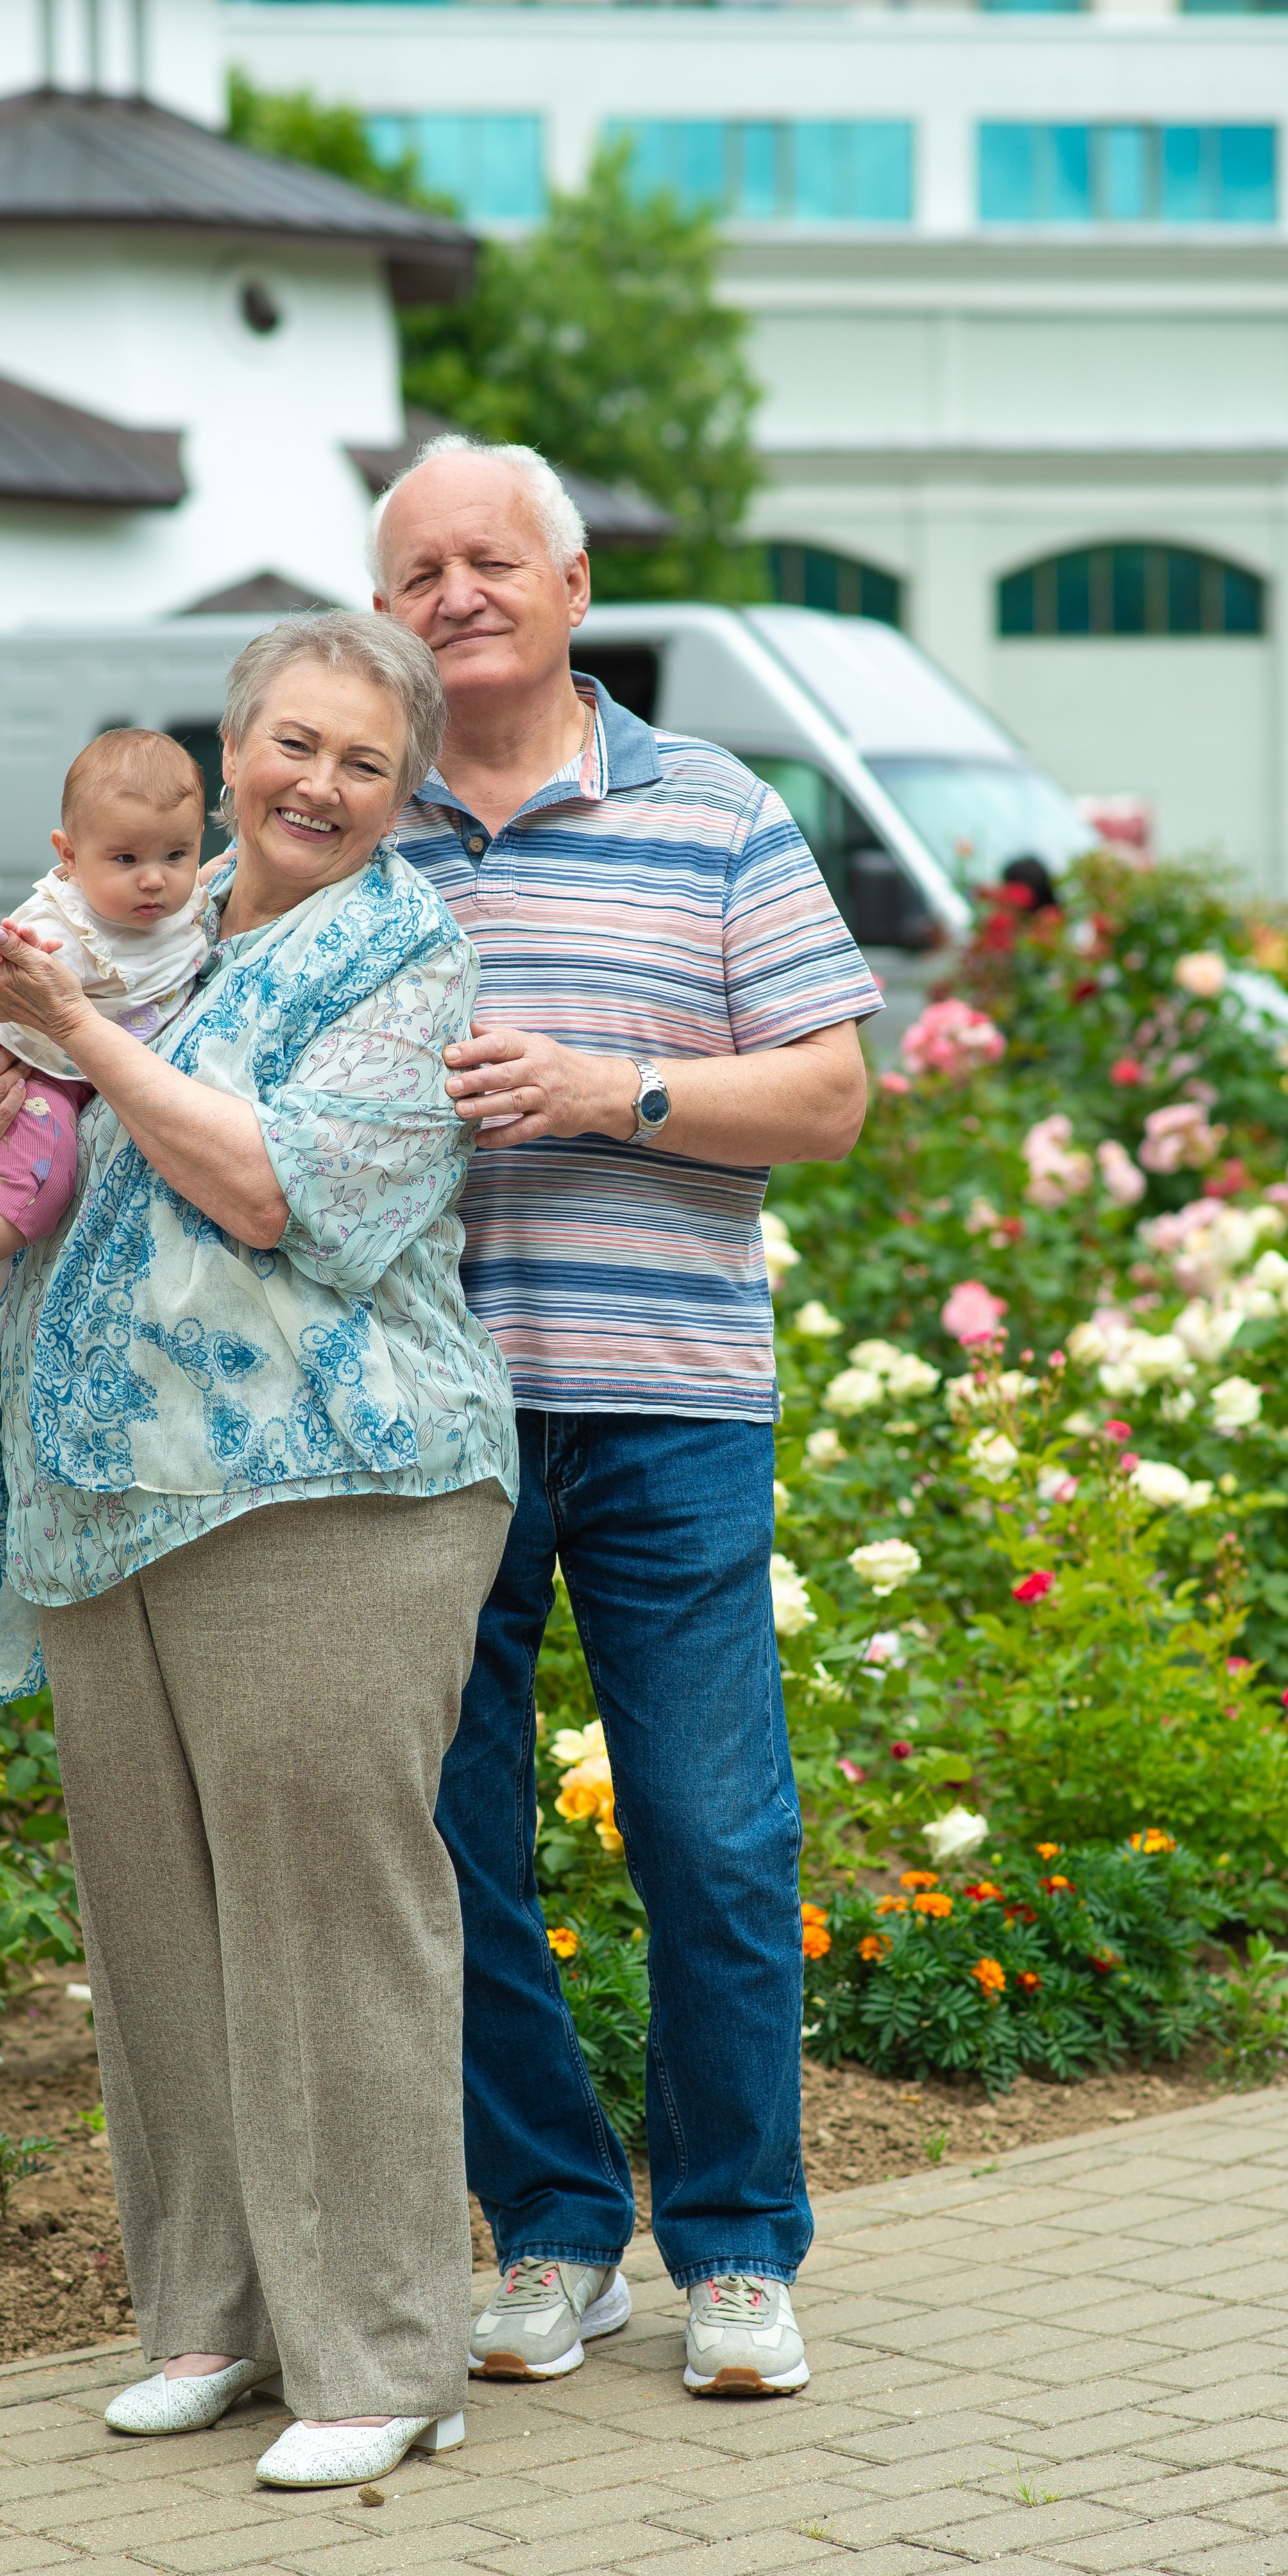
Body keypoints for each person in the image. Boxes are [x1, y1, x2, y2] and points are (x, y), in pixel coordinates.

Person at [0, 610, 518, 2491]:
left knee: (333, 1924)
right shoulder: (129, 929)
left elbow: (273, 1189)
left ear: (407, 793)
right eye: (290, 744)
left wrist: (73, 1032)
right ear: (230, 750)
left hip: (331, 1490)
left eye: (362, 760)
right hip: (102, 1494)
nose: (316, 782)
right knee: (159, 1928)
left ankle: (390, 2352)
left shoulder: (408, 954)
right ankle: (215, 2321)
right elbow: (4, 1197)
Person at [368, 433, 881, 2398]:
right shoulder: (341, 824)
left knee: (713, 1828)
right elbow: (181, 1007)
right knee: (454, 1834)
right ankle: (559, 2229)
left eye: (493, 558)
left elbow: (828, 1099)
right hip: (420, 1424)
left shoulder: (717, 810)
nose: (457, 593)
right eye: (419, 571)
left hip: (668, 1405)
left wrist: (607, 1089)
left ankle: (737, 2249)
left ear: (575, 587)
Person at [0, 727, 210, 1375]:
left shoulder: (192, 905)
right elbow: (6, 973)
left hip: (94, 1073)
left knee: (55, 1205)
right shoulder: (60, 922)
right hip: (34, 1069)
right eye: (125, 859)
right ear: (68, 855)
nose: (154, 880)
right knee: (41, 1182)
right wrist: (9, 959)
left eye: (176, 854)